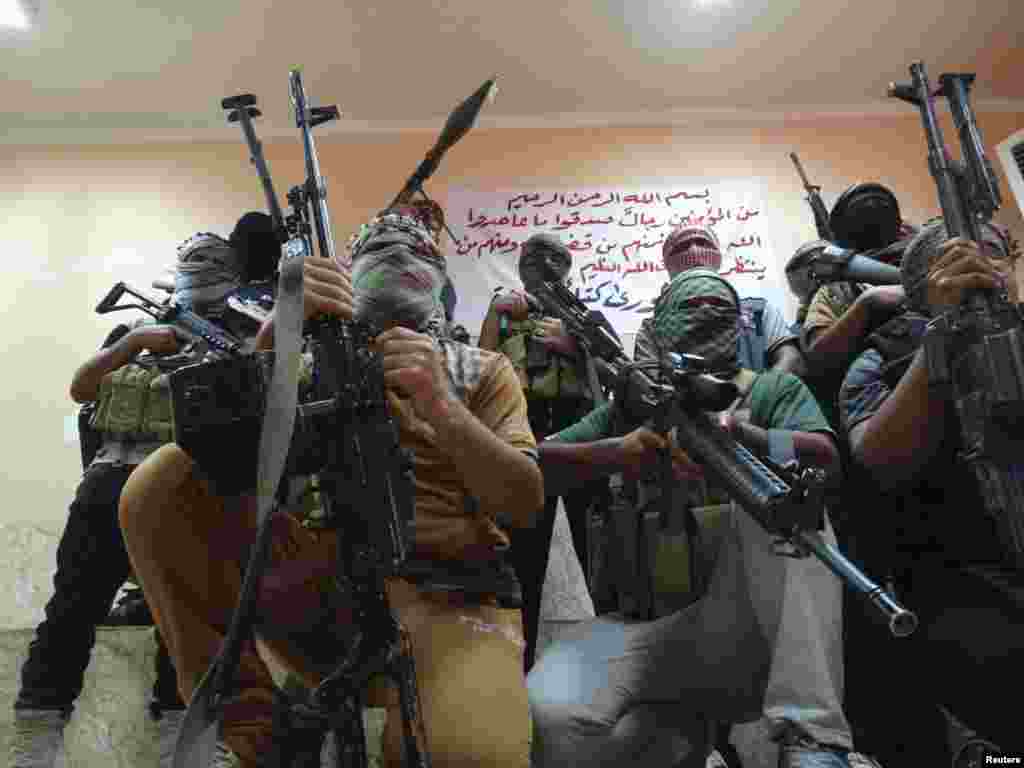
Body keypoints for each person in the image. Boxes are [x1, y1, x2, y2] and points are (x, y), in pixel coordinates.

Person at [119, 200, 544, 768]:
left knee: (465, 757)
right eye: (373, 248)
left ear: (438, 280)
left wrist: (442, 406)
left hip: (454, 597)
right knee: (160, 481)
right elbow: (221, 454)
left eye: (415, 247)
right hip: (323, 587)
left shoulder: (482, 369)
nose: (394, 252)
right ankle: (249, 723)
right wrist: (278, 337)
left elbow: (524, 502)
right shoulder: (308, 358)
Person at [527, 267, 882, 768]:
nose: (706, 313)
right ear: (661, 322)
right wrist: (614, 452)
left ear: (741, 325)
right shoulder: (629, 407)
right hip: (642, 632)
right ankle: (679, 744)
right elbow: (533, 465)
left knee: (788, 509)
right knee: (549, 718)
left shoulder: (771, 390)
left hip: (747, 630)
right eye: (690, 306)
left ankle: (813, 740)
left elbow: (825, 457)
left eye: (719, 305)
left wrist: (752, 438)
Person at [9, 219, 276, 768]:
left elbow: (265, 407)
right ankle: (36, 739)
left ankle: (175, 741)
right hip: (110, 481)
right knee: (72, 610)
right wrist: (131, 344)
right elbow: (82, 388)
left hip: (186, 486)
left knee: (178, 621)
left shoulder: (248, 333)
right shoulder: (135, 327)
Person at [838, 220, 1024, 766]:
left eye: (995, 253)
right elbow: (880, 463)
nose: (983, 264)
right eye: (961, 257)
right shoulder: (879, 360)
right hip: (969, 592)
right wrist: (943, 334)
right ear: (922, 284)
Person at [477, 233, 609, 671]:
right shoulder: (503, 311)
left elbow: (619, 375)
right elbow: (480, 364)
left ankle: (585, 661)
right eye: (533, 258)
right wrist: (498, 314)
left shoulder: (586, 317)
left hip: (579, 438)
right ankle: (522, 659)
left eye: (553, 259)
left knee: (587, 556)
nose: (542, 266)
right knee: (522, 559)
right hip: (521, 439)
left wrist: (575, 346)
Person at [634, 224, 805, 376]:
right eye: (682, 246)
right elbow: (648, 387)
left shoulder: (758, 311)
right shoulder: (653, 327)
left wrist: (759, 395)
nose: (694, 250)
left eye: (703, 243)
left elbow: (791, 359)